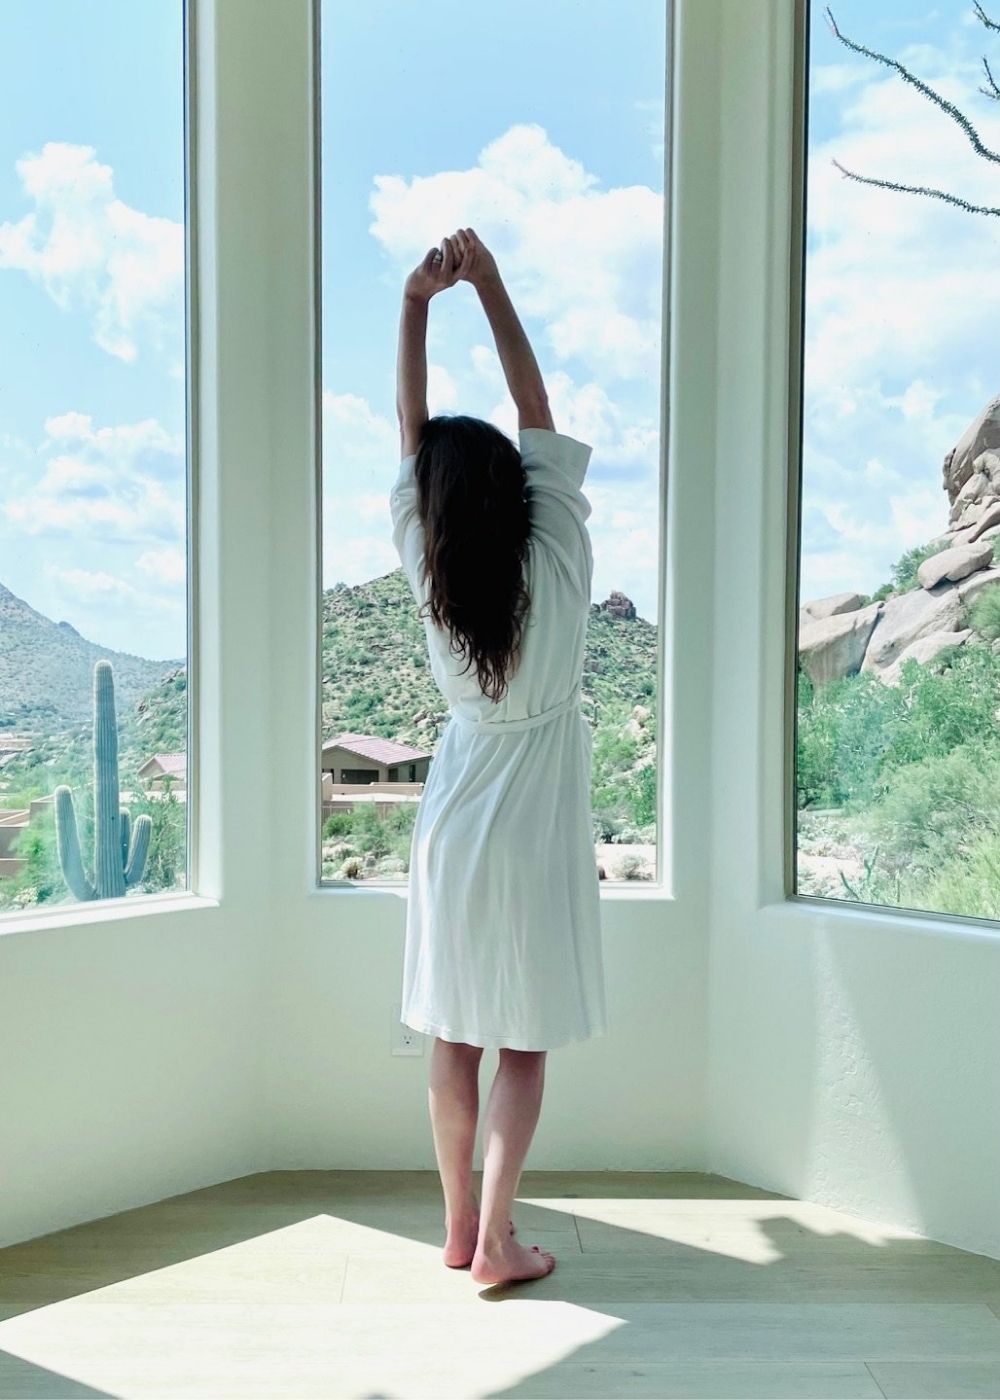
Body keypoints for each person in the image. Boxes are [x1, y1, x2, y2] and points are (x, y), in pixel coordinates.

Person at [390, 228, 608, 1286]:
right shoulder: (557, 553)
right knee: (521, 1039)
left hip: (451, 826)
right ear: (516, 492)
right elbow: (538, 420)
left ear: (431, 511)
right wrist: (491, 287)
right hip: (533, 830)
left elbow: (412, 436)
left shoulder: (432, 583)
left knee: (454, 1035)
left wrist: (414, 303)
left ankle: (452, 1228)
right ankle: (497, 1239)